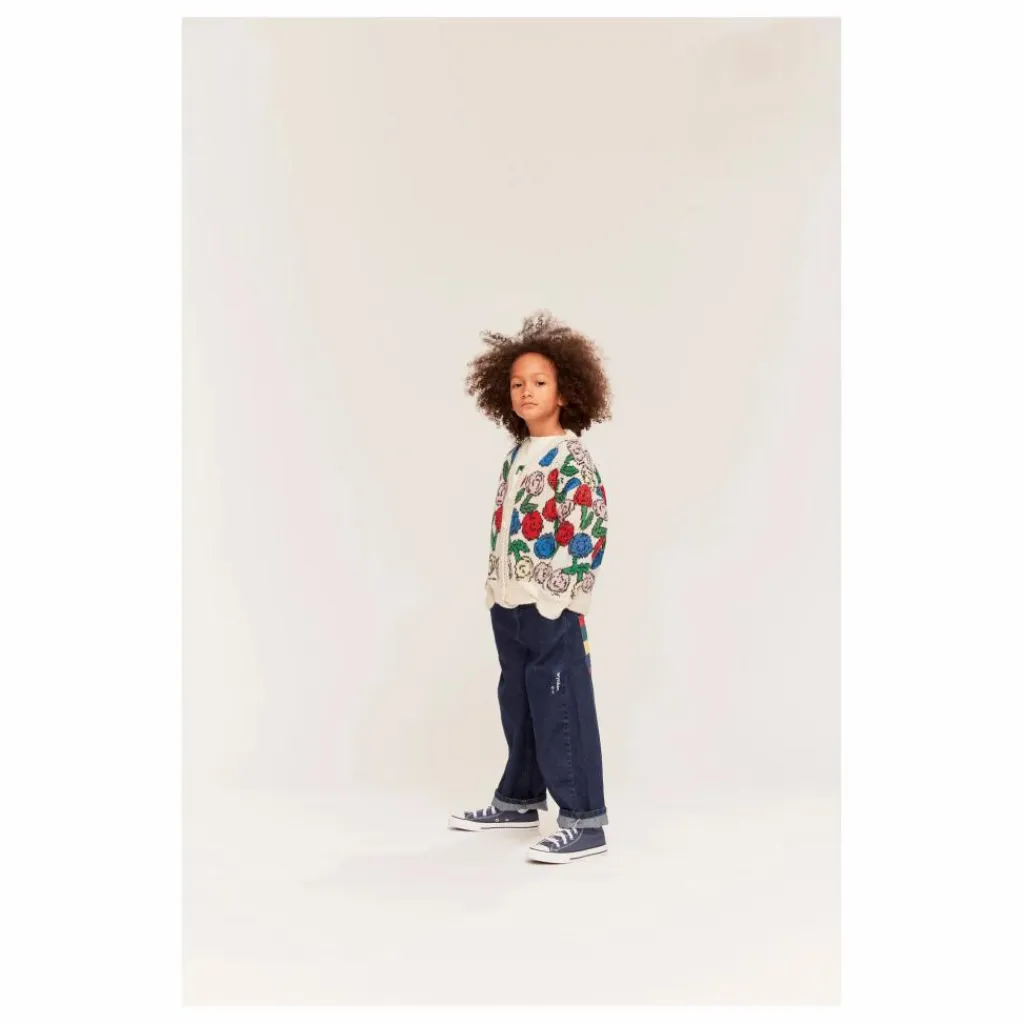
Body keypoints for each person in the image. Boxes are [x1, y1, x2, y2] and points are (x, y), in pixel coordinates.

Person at [449, 311, 613, 864]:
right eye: (517, 383)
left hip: (550, 605)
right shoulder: (517, 456)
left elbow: (590, 527)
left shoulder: (572, 459)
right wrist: (497, 588)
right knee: (518, 701)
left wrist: (559, 595)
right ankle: (519, 799)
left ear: (565, 392)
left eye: (539, 382)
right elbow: (506, 525)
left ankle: (585, 821)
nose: (526, 391)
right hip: (509, 602)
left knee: (561, 704)